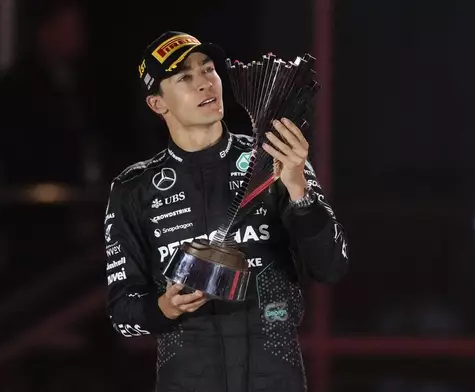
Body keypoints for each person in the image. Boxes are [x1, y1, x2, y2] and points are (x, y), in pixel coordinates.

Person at [103, 31, 349, 392]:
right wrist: (166, 308)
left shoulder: (274, 158)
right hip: (188, 378)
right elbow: (122, 313)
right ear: (158, 104)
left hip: (275, 377)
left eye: (208, 69)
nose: (204, 83)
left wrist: (299, 189)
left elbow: (331, 266)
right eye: (185, 77)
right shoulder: (133, 189)